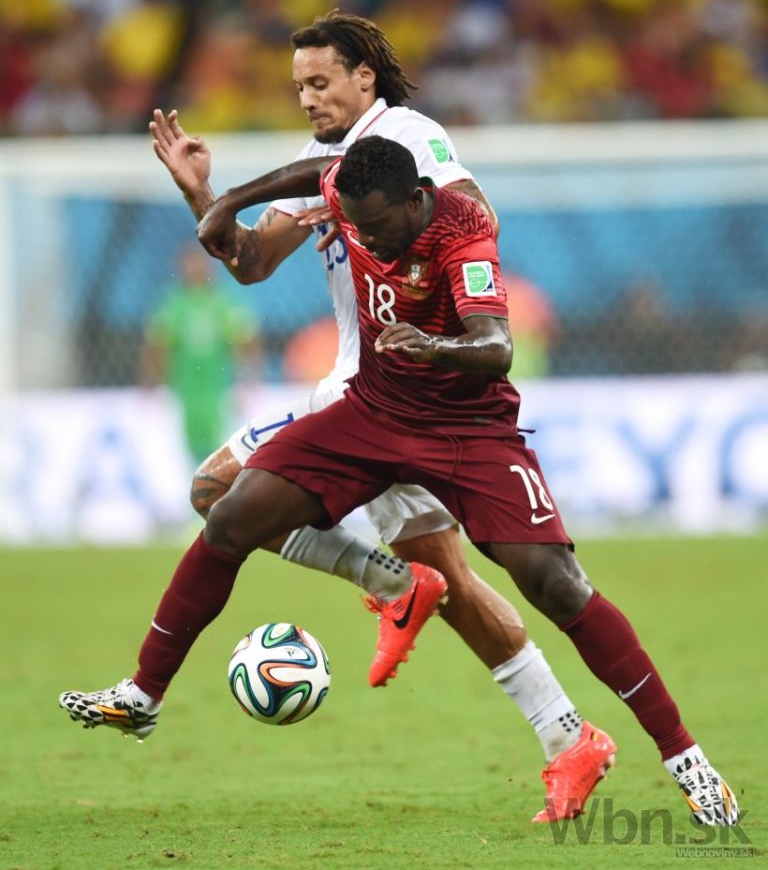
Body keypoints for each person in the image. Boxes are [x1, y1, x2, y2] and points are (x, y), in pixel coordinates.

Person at [61, 137, 738, 828]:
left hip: (468, 431)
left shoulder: (464, 231)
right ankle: (144, 694)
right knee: (229, 514)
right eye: (359, 224)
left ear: (415, 199)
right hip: (372, 415)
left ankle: (688, 761)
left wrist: (433, 344)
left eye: (380, 226)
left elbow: (497, 346)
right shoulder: (354, 191)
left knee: (555, 583)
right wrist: (229, 197)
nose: (372, 240)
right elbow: (312, 174)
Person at [130, 12, 616, 821]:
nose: (308, 98)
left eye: (321, 82)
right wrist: (202, 194)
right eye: (299, 86)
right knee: (450, 584)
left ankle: (396, 588)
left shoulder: (409, 140)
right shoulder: (323, 165)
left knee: (219, 493)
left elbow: (477, 215)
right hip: (367, 393)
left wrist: (376, 233)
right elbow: (249, 262)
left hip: (395, 393)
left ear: (365, 77)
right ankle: (566, 735)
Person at [141, 244, 259, 464]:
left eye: (199, 263)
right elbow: (158, 346)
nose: (194, 268)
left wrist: (247, 381)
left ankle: (215, 484)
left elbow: (244, 343)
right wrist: (151, 381)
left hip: (218, 387)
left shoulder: (223, 301)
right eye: (189, 263)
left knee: (219, 444)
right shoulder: (174, 303)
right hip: (185, 388)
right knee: (189, 447)